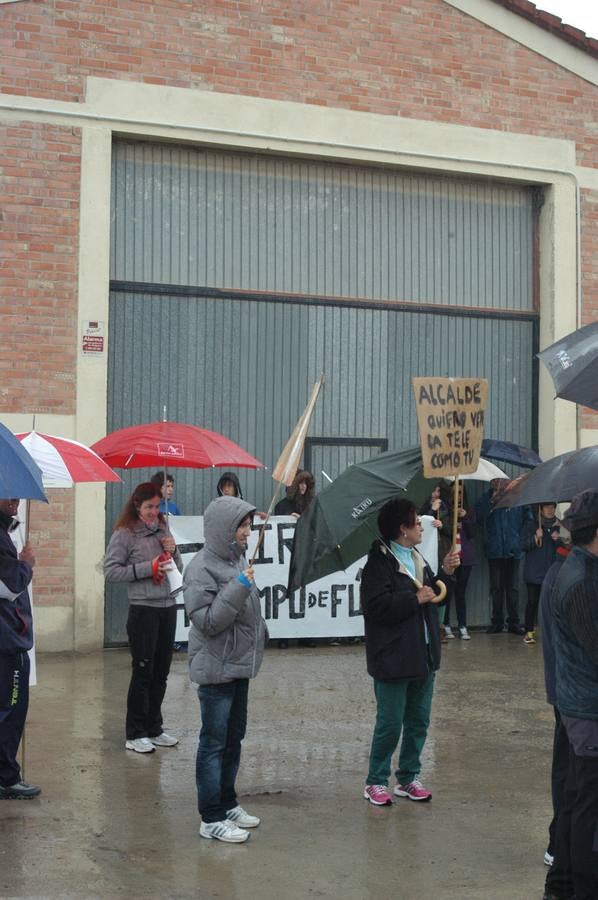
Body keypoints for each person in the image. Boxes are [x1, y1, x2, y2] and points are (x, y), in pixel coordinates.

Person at [361, 498, 460, 806]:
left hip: (424, 654)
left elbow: (434, 596)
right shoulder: (380, 562)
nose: (421, 526)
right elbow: (375, 607)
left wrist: (446, 572)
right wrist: (413, 600)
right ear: (402, 529)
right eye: (416, 521)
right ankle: (376, 780)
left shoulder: (416, 556)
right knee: (390, 722)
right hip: (393, 657)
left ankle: (408, 776)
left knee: (418, 720)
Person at [184, 496, 267, 843]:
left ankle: (227, 801)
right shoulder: (201, 568)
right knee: (214, 743)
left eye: (249, 525)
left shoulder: (237, 559)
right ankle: (211, 816)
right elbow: (207, 621)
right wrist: (238, 587)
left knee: (233, 738)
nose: (248, 532)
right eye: (242, 526)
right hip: (216, 669)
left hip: (238, 667)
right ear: (225, 530)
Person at [542, 490, 598, 900]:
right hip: (586, 709)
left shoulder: (584, 570)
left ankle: (562, 885)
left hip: (577, 702)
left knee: (577, 799)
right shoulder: (578, 581)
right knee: (586, 808)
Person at [104, 482, 182, 753]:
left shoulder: (164, 529)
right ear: (137, 506)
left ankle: (154, 727)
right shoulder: (125, 533)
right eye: (149, 507)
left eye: (157, 506)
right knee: (143, 670)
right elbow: (111, 571)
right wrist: (146, 569)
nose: (154, 512)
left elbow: (176, 567)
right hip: (143, 609)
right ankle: (135, 732)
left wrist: (174, 551)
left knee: (161, 671)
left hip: (167, 606)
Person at [0, 498, 40, 800]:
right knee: (10, 710)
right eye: (9, 494)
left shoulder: (6, 531)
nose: (16, 501)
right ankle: (7, 777)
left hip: (10, 637)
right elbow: (11, 586)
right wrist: (25, 564)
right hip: (7, 641)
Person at [539, 537, 572, 887]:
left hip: (566, 692)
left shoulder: (562, 572)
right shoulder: (566, 577)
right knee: (571, 775)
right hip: (572, 696)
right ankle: (559, 844)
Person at [475, 479, 527, 635]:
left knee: (513, 589)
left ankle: (514, 623)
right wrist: (492, 501)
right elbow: (479, 518)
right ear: (492, 483)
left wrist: (519, 539)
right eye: (496, 481)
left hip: (513, 550)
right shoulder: (486, 499)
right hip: (495, 550)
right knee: (496, 588)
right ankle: (497, 623)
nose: (500, 484)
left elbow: (528, 518)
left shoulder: (517, 498)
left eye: (503, 481)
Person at [521, 502, 564, 645]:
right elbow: (523, 545)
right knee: (532, 602)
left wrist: (559, 540)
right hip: (534, 571)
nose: (550, 510)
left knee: (552, 604)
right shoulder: (531, 525)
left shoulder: (559, 526)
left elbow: (567, 547)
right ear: (540, 510)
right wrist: (535, 537)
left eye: (552, 507)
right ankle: (529, 632)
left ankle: (552, 632)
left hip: (552, 572)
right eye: (547, 507)